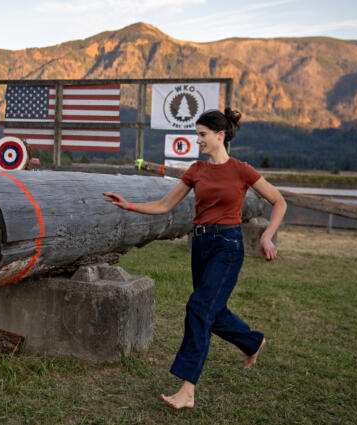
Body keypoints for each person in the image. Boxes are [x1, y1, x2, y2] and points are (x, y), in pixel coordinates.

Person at [103, 108, 286, 410]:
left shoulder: (242, 170)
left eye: (202, 134)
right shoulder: (196, 170)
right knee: (212, 310)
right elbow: (164, 205)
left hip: (227, 245)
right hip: (200, 244)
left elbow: (279, 200)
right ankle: (253, 342)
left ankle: (187, 389)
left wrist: (267, 236)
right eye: (197, 134)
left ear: (220, 135)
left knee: (199, 308)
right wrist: (130, 206)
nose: (198, 140)